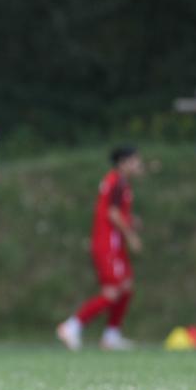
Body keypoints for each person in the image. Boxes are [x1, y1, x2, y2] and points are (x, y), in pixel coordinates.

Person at [57, 146, 144, 351]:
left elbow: (114, 211)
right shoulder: (118, 182)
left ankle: (111, 335)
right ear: (123, 163)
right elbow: (112, 214)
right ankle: (71, 326)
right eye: (135, 161)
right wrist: (131, 235)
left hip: (113, 244)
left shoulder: (118, 182)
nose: (139, 165)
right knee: (112, 292)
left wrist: (130, 220)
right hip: (107, 244)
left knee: (127, 287)